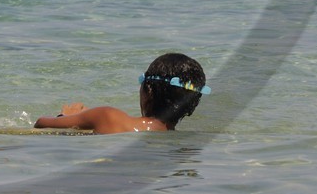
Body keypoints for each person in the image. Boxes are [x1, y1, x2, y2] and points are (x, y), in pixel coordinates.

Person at [33, 53, 207, 134]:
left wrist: (70, 116)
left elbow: (41, 123)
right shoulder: (183, 144)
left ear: (149, 90)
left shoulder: (109, 116)